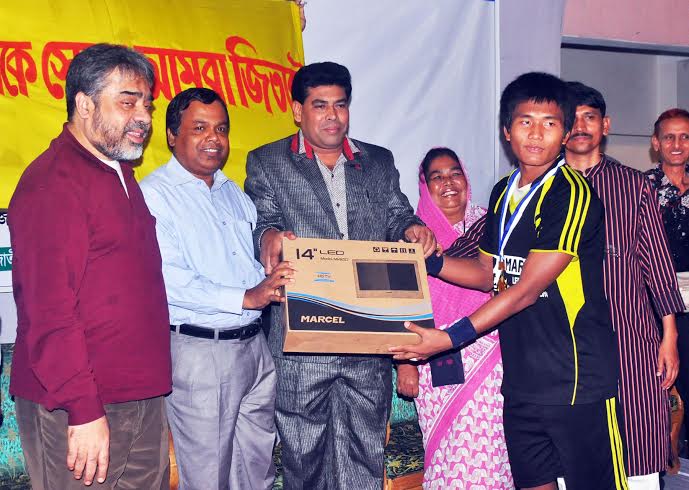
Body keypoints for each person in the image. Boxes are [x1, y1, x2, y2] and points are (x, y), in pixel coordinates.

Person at [391, 72, 626, 490]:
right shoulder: (504, 193)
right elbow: (488, 275)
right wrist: (426, 260)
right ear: (506, 131)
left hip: (576, 378)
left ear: (566, 131)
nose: (536, 134)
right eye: (525, 121)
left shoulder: (571, 193)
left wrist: (446, 339)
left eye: (549, 123)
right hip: (520, 380)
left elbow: (525, 291)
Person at [244, 61, 436, 489]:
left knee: (365, 456)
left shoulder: (378, 161)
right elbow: (261, 220)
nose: (333, 116)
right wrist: (270, 235)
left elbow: (396, 215)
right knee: (303, 458)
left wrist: (411, 228)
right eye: (320, 106)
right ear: (298, 111)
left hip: (367, 339)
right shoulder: (268, 161)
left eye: (341, 105)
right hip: (301, 340)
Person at [8, 44, 171, 489]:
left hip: (140, 398)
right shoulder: (52, 184)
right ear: (83, 104)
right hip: (78, 407)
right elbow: (48, 315)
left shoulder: (118, 171)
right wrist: (83, 409)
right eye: (127, 102)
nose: (143, 117)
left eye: (147, 104)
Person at [140, 88, 294, 490]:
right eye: (200, 128)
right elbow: (168, 280)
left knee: (257, 469)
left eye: (222, 129)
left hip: (253, 347)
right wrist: (246, 297)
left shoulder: (233, 194)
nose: (214, 138)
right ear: (172, 135)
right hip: (200, 352)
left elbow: (250, 264)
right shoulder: (154, 195)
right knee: (209, 477)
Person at [564, 83, 683, 490]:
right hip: (564, 340)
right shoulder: (542, 186)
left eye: (590, 118)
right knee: (572, 449)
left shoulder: (634, 186)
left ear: (606, 125)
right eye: (573, 118)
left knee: (638, 435)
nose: (581, 126)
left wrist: (668, 337)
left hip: (629, 334)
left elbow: (659, 267)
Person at [396, 148, 513, 488]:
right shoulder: (411, 237)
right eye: (437, 176)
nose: (448, 182)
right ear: (424, 186)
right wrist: (405, 365)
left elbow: (505, 283)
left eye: (454, 173)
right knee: (450, 457)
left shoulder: (493, 225)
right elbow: (399, 303)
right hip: (433, 359)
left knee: (495, 453)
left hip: (492, 357)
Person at [645, 108, 689, 454]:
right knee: (665, 385)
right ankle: (663, 455)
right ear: (656, 143)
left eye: (685, 136)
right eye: (670, 137)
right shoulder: (641, 188)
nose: (677, 144)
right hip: (659, 301)